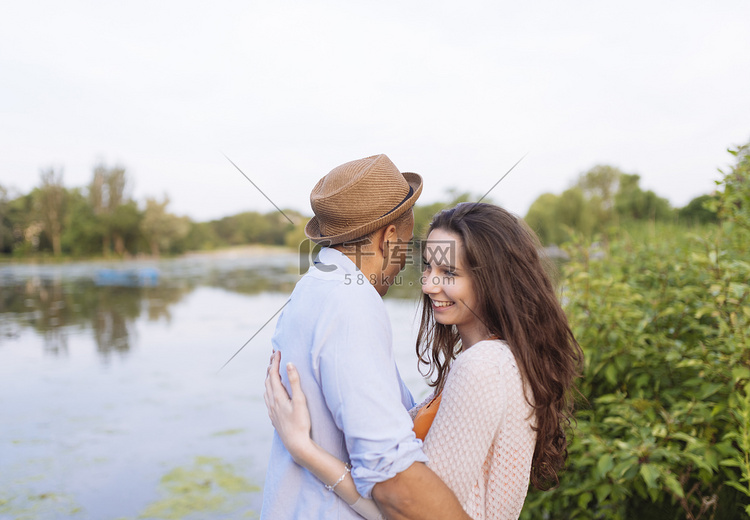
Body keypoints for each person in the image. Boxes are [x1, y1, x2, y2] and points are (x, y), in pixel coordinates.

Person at [265, 202, 584, 519]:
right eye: (428, 267)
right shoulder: (497, 358)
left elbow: (414, 511)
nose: (428, 285)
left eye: (449, 273)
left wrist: (305, 450)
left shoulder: (485, 366)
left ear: (493, 279)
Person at [260, 154, 472, 520]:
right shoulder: (351, 302)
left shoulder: (311, 287)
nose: (406, 259)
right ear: (388, 238)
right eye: (406, 244)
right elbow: (393, 480)